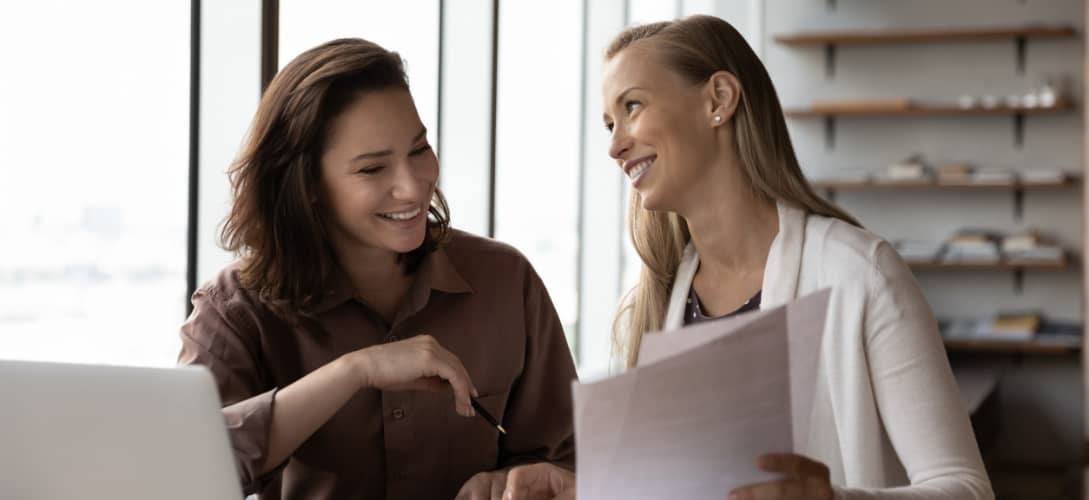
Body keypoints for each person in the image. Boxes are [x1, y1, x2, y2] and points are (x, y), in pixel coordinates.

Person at [504, 15, 993, 500]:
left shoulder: (862, 274)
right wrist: (584, 492)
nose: (614, 145)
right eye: (611, 122)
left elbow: (968, 490)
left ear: (718, 99)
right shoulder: (655, 304)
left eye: (632, 106)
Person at [178, 38, 576, 500]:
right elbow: (186, 470)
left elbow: (569, 458)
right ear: (305, 184)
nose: (411, 187)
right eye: (372, 169)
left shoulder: (506, 281)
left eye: (419, 149)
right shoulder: (234, 310)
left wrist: (515, 481)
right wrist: (354, 371)